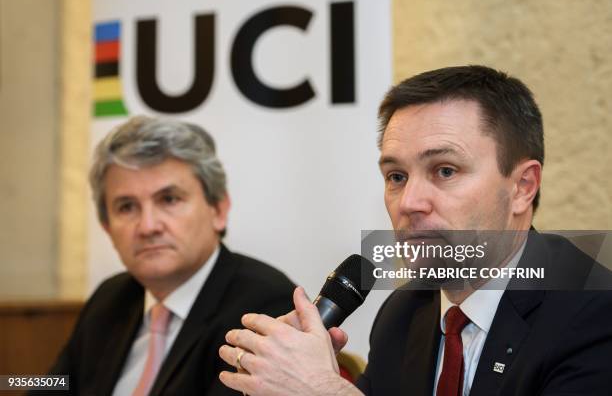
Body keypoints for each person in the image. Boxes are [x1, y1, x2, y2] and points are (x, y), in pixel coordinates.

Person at [218, 65, 612, 396]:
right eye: (396, 176)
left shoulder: (595, 314)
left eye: (445, 170)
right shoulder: (405, 313)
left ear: (522, 187)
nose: (408, 202)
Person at [46, 116, 295, 395]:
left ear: (218, 209)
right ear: (106, 227)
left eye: (169, 199)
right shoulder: (110, 298)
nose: (148, 226)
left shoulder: (264, 306)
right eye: (127, 207)